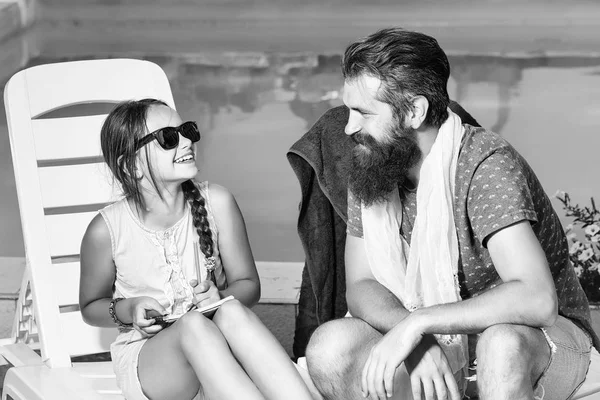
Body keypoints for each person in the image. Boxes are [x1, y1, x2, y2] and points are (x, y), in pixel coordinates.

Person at [304, 28, 600, 400]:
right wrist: (414, 337)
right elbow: (362, 284)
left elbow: (537, 300)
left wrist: (419, 324)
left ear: (414, 111)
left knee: (501, 343)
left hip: (536, 340)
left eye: (363, 112)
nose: (348, 127)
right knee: (329, 347)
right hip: (432, 336)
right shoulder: (371, 163)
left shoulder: (485, 164)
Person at [79, 98, 314, 400]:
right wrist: (130, 307)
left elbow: (249, 286)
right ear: (131, 165)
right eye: (169, 137)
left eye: (187, 130)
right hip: (155, 365)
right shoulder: (106, 230)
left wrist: (220, 297)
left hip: (218, 349)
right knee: (193, 325)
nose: (188, 140)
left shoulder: (217, 202)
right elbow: (91, 307)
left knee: (230, 312)